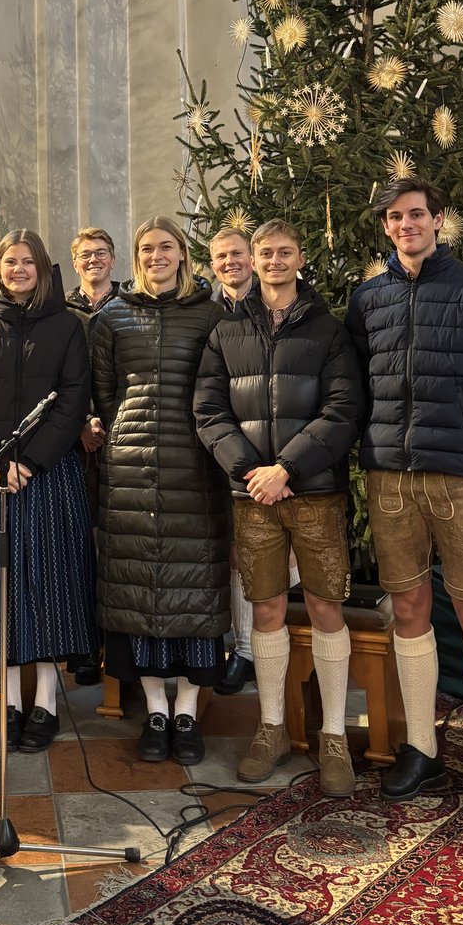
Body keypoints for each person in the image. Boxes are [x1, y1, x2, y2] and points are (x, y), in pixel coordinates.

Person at [346, 176, 463, 826]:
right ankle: (422, 749)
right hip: (390, 479)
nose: (407, 225)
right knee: (408, 609)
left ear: (438, 220)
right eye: (395, 217)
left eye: (417, 214)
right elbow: (357, 386)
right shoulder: (368, 299)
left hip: (462, 479)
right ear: (386, 226)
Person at [194, 219, 364, 796]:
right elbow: (209, 412)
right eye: (264, 252)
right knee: (265, 608)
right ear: (253, 259)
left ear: (300, 258)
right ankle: (270, 729)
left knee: (324, 606)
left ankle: (333, 735)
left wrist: (287, 468)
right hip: (253, 495)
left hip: (314, 490)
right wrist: (251, 473)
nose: (273, 261)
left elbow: (343, 409)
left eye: (283, 252)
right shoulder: (225, 331)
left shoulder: (328, 329)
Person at [0, 229, 95, 753]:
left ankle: (46, 703)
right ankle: (8, 704)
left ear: (43, 268)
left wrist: (30, 460)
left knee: (49, 588)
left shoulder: (67, 326)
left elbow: (73, 399)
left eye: (28, 261)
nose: (19, 269)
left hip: (48, 473)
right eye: (10, 261)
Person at [90, 216, 230, 766]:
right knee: (137, 591)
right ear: (136, 256)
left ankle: (187, 712)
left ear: (183, 254)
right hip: (128, 468)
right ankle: (155, 710)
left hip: (194, 466)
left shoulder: (210, 315)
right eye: (147, 248)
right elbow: (105, 391)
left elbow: (218, 389)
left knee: (195, 588)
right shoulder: (112, 316)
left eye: (166, 247)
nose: (156, 256)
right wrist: (121, 434)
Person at [206, 227, 268, 697]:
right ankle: (234, 644)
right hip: (216, 444)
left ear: (253, 259)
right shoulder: (207, 311)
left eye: (238, 254)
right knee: (227, 548)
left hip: (265, 446)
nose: (231, 262)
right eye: (221, 256)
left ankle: (254, 646)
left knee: (258, 549)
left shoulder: (274, 304)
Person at [65, 227, 121, 687]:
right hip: (75, 442)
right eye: (85, 255)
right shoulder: (61, 311)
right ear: (75, 262)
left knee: (118, 542)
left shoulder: (131, 305)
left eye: (101, 253)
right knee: (83, 543)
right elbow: (60, 375)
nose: (93, 260)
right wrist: (82, 421)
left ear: (113, 260)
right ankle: (86, 642)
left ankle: (118, 640)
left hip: (125, 436)